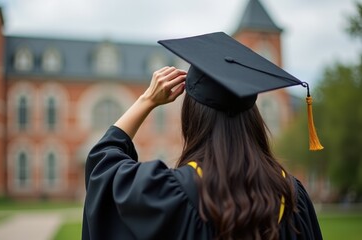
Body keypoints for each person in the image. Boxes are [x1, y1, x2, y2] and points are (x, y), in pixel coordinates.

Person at [82, 32, 323, 240]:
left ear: (192, 118)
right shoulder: (292, 195)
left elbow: (103, 167)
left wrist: (146, 101)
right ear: (253, 119)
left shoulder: (168, 193)